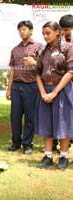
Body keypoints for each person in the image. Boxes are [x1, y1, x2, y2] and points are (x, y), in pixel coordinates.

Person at [35, 21, 73, 170]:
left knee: (63, 122)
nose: (45, 36)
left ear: (57, 31)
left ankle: (64, 156)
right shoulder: (43, 52)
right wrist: (43, 93)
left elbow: (70, 71)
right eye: (43, 34)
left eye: (48, 33)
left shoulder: (68, 48)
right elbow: (37, 73)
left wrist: (55, 92)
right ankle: (48, 155)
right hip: (45, 90)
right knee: (47, 123)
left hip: (62, 90)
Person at [6, 20, 44, 154]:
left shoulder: (39, 47)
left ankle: (27, 144)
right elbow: (13, 70)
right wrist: (9, 88)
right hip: (16, 87)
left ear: (31, 30)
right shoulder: (15, 50)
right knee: (14, 117)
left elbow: (46, 66)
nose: (22, 32)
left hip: (32, 87)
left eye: (24, 29)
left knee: (30, 117)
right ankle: (16, 142)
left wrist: (35, 62)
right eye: (20, 30)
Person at [51, 14, 73, 151]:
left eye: (67, 29)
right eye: (62, 29)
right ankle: (55, 144)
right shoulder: (56, 43)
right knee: (58, 114)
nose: (64, 32)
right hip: (60, 83)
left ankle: (68, 142)